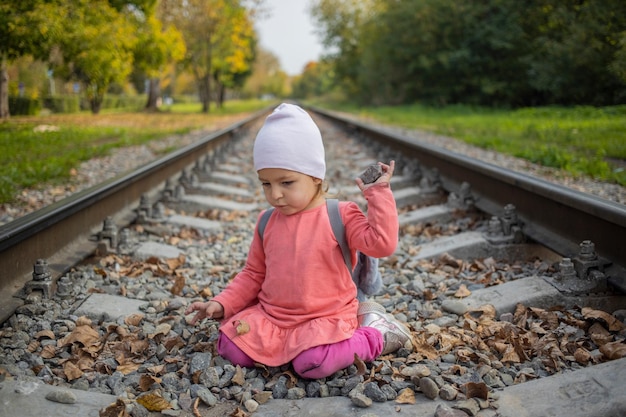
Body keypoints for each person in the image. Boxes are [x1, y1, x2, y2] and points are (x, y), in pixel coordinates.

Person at [185, 103, 413, 379]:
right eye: (266, 184)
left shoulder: (339, 214)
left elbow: (382, 244)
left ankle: (377, 335)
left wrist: (378, 195)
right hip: (275, 317)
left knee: (313, 363)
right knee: (230, 347)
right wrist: (222, 303)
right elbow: (253, 274)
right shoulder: (267, 221)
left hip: (325, 318)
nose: (275, 195)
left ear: (316, 176)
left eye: (287, 183)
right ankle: (283, 347)